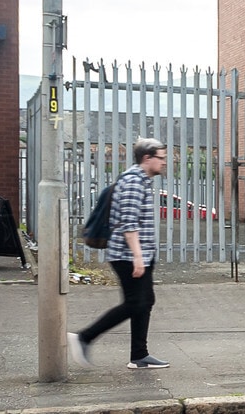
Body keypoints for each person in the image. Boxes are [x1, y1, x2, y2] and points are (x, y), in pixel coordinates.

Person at [72, 137, 169, 370]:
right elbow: (129, 223)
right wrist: (137, 257)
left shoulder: (142, 180)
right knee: (136, 303)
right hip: (128, 256)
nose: (164, 163)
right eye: (161, 158)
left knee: (144, 302)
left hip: (139, 254)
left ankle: (139, 355)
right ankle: (84, 337)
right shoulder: (134, 182)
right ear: (147, 158)